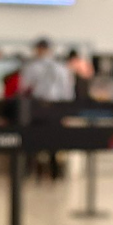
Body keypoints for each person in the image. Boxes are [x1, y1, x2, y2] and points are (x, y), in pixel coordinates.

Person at [20, 39, 73, 180]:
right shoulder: (56, 68)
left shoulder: (36, 68)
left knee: (48, 142)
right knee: (44, 141)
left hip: (46, 108)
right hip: (46, 108)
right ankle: (40, 170)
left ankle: (47, 170)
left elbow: (24, 88)